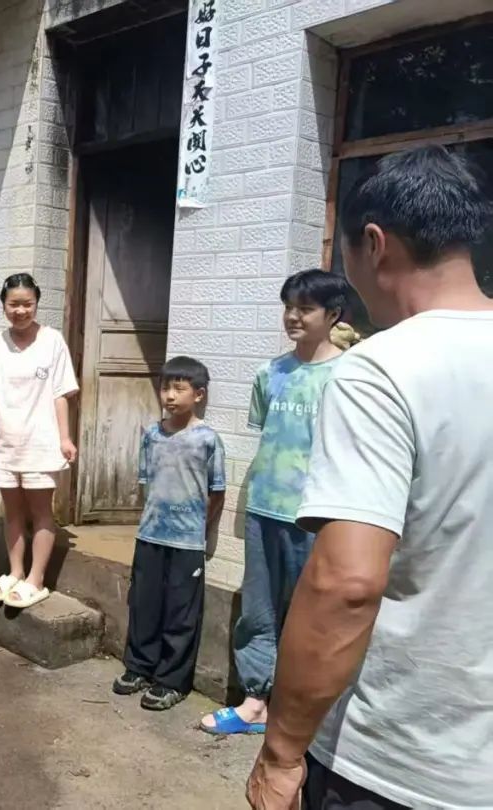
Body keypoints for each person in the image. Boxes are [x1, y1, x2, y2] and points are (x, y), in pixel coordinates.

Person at [246, 145, 493, 809]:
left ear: (374, 245)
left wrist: (281, 751)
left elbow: (346, 584)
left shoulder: (380, 371)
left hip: (399, 758)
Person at [201, 268, 353, 736]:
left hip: (318, 516)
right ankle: (255, 703)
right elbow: (267, 433)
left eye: (305, 309)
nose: (293, 317)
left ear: (333, 314)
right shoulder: (270, 373)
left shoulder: (349, 375)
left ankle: (303, 713)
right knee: (258, 610)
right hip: (265, 509)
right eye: (288, 307)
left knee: (314, 616)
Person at [112, 356, 226, 711]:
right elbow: (146, 484)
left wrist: (200, 530)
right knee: (143, 605)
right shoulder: (151, 435)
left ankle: (171, 680)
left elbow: (217, 492)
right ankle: (139, 666)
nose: (170, 396)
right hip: (150, 536)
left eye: (179, 388)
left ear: (199, 394)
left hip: (187, 542)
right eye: (165, 388)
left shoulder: (207, 439)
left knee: (181, 613)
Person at [0, 273, 79, 609]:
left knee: (41, 511)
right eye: (13, 304)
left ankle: (36, 579)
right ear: (3, 305)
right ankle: (16, 572)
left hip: (41, 442)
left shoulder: (52, 341)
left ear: (36, 304)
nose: (20, 311)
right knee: (13, 511)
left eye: (27, 304)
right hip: (5, 441)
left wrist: (65, 438)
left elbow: (61, 393)